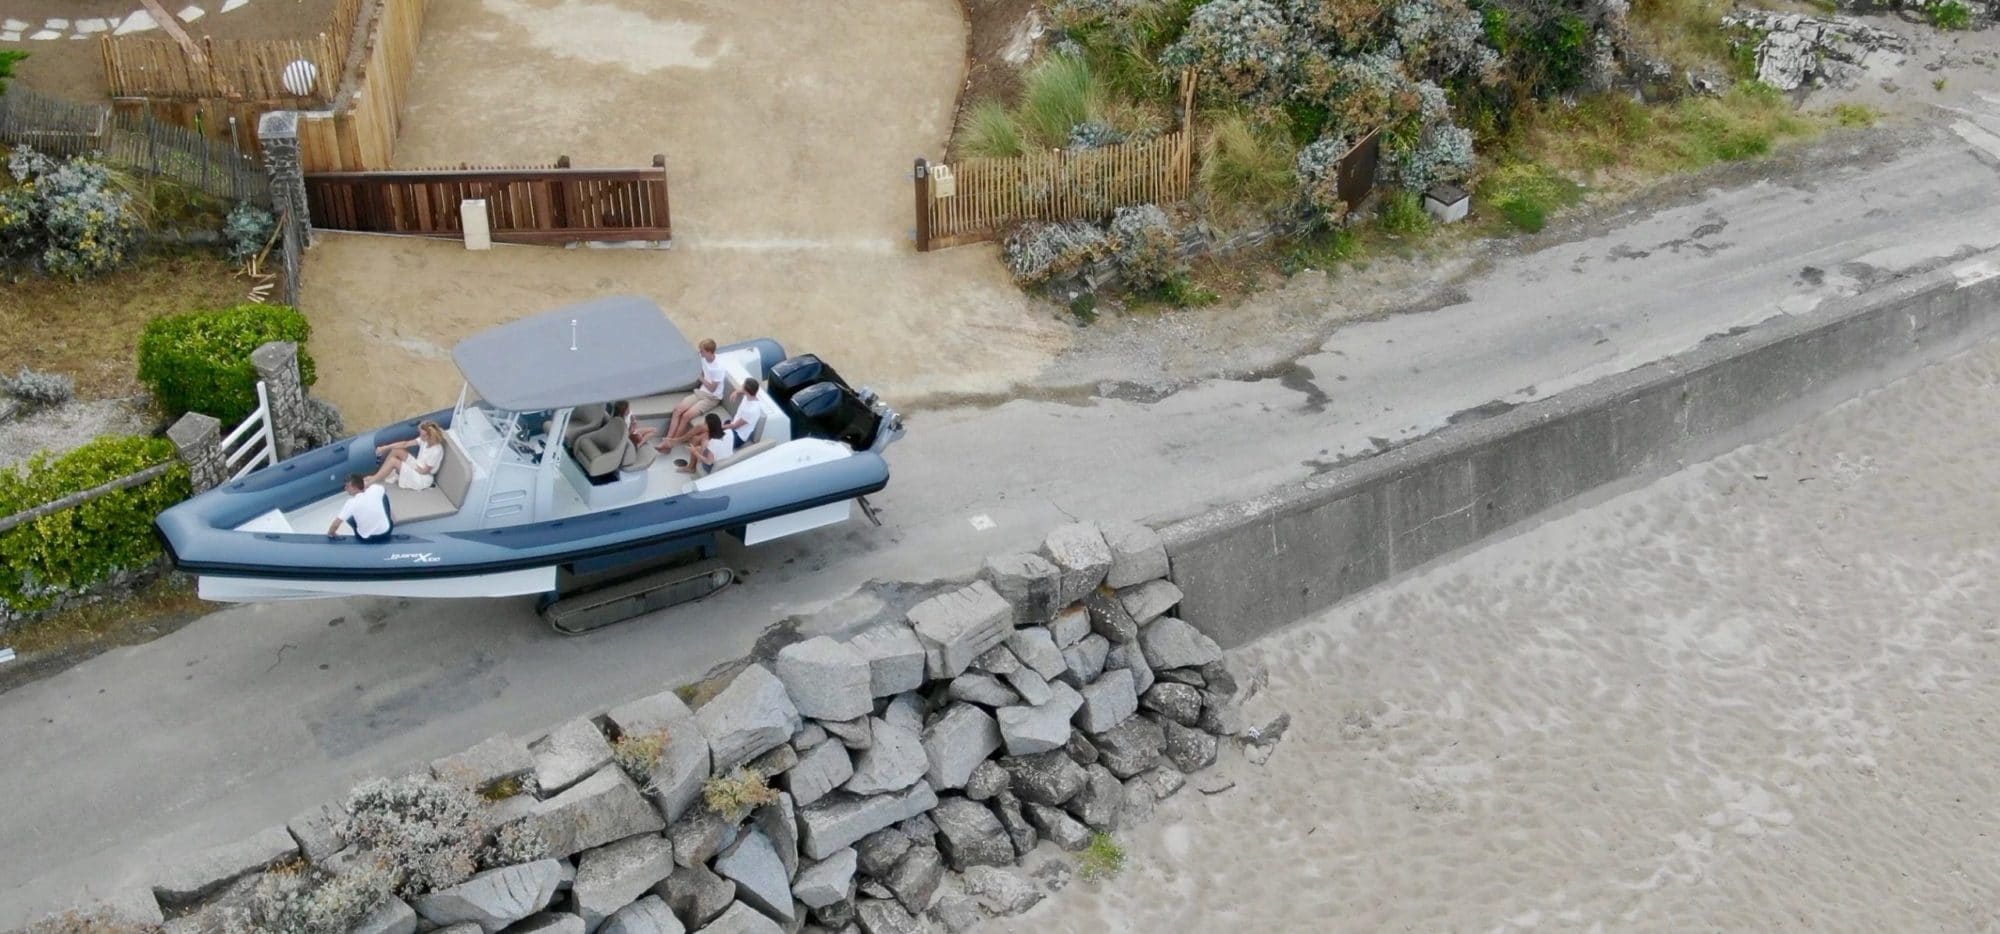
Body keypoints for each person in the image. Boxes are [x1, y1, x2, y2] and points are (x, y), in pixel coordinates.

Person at [664, 339, 729, 447]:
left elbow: (713, 389)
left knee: (686, 416)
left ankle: (671, 444)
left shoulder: (718, 368)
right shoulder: (703, 358)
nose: (700, 353)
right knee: (677, 410)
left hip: (712, 397)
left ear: (709, 352)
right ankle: (667, 439)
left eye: (702, 351)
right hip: (701, 391)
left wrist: (700, 377)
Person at [367, 420, 445, 490]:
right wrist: (385, 448)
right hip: (417, 465)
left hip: (422, 477)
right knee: (396, 450)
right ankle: (377, 476)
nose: (420, 436)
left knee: (394, 461)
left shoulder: (436, 451)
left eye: (422, 435)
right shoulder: (425, 440)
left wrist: (406, 466)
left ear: (429, 436)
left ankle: (370, 482)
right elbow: (405, 444)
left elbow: (424, 471)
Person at [327, 473, 393, 542]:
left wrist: (331, 533)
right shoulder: (375, 488)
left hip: (366, 538)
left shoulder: (350, 503)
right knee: (383, 496)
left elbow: (336, 524)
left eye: (347, 486)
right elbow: (383, 489)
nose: (345, 488)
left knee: (348, 515)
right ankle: (385, 520)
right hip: (386, 533)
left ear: (355, 487)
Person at [719, 377, 766, 446]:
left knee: (714, 436)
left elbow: (735, 426)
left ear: (746, 390)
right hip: (733, 424)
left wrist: (720, 427)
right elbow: (742, 390)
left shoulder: (751, 410)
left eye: (743, 384)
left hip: (738, 436)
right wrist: (736, 392)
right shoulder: (749, 396)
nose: (742, 385)